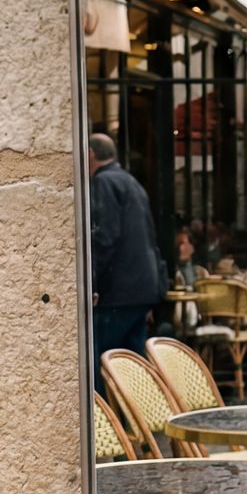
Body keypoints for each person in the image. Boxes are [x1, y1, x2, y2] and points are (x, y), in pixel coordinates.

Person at [88, 133, 164, 370]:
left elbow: (104, 238)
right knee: (134, 368)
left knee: (106, 364)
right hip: (142, 289)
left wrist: (92, 283)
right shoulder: (131, 182)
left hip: (119, 292)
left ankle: (108, 409)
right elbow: (151, 238)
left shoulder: (103, 182)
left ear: (89, 154)